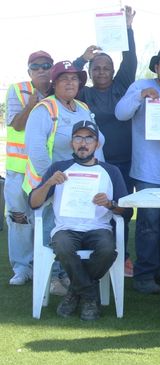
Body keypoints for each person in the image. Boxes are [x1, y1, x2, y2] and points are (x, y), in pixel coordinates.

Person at [29, 121, 128, 320]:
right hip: (66, 228)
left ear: (97, 144)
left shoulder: (111, 171)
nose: (83, 143)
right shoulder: (59, 168)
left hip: (98, 228)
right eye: (78, 138)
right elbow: (33, 203)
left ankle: (74, 292)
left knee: (108, 250)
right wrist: (48, 182)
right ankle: (90, 296)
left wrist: (109, 203)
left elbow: (125, 211)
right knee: (63, 246)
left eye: (89, 138)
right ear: (72, 143)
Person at [24, 60, 105, 296]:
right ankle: (55, 281)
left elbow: (96, 143)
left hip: (80, 185)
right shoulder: (45, 109)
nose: (70, 83)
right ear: (54, 83)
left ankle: (73, 277)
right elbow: (37, 150)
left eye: (75, 79)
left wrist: (100, 175)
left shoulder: (81, 107)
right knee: (52, 232)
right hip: (50, 186)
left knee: (75, 232)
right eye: (64, 79)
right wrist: (53, 183)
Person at [115, 46, 160, 294]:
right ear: (156, 67)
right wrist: (140, 97)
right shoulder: (140, 86)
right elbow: (121, 114)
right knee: (148, 225)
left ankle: (158, 269)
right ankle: (143, 274)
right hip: (146, 172)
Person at [74, 5, 137, 277]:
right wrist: (80, 58)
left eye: (106, 67)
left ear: (113, 71)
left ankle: (123, 256)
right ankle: (102, 255)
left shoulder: (122, 86)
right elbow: (64, 80)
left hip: (125, 161)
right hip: (97, 165)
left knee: (124, 211)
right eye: (96, 67)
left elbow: (130, 60)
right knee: (99, 210)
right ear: (89, 71)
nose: (101, 71)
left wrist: (128, 28)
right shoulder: (83, 94)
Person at [4, 50, 53, 286]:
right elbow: (16, 124)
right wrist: (32, 103)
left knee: (45, 218)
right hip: (18, 169)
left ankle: (44, 265)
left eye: (46, 66)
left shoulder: (58, 90)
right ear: (29, 71)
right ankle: (22, 268)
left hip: (44, 170)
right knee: (19, 218)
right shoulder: (17, 89)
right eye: (36, 66)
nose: (42, 70)